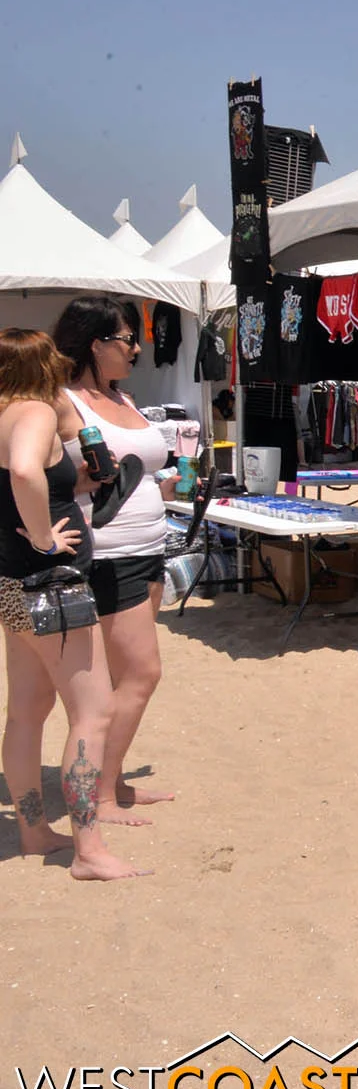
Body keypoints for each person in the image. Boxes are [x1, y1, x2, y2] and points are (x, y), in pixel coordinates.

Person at [0, 327, 147, 879]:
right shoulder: (34, 412)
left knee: (26, 711)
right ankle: (89, 848)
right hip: (52, 583)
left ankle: (33, 831)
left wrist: (71, 487)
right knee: (93, 711)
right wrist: (43, 538)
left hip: (13, 582)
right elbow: (23, 471)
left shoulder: (3, 413)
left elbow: (22, 479)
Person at [32, 297, 181, 823]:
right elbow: (32, 472)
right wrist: (75, 484)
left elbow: (141, 468)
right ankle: (99, 795)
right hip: (108, 555)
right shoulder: (61, 401)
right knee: (142, 674)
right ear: (96, 344)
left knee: (124, 679)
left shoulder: (124, 397)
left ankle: (111, 781)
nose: (137, 349)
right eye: (127, 339)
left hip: (150, 548)